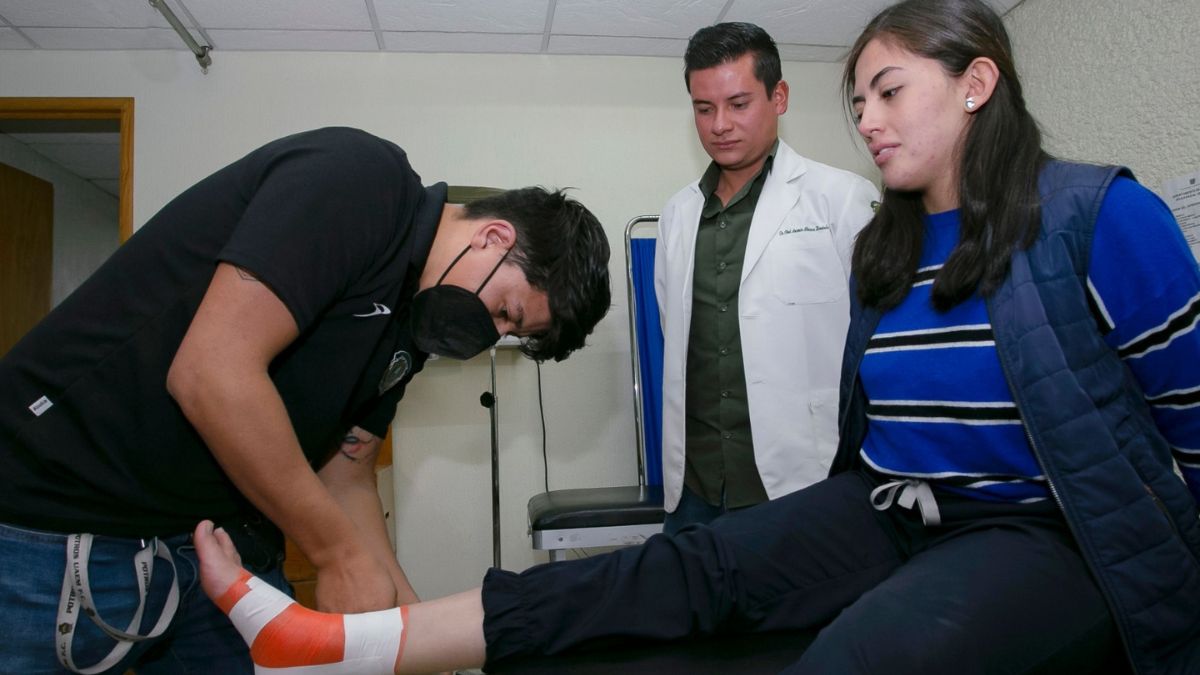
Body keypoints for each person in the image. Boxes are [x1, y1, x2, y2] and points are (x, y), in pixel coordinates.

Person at [194, 2, 1200, 673]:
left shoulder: (1092, 215)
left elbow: (1189, 421)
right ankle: (342, 639)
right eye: (862, 101)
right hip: (882, 504)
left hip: (1032, 527)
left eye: (889, 92)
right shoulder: (888, 244)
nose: (871, 119)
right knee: (659, 578)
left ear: (977, 84)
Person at [0, 126, 611, 674]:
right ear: (494, 237)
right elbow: (212, 373)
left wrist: (411, 628)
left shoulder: (412, 319)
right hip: (54, 524)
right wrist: (336, 556)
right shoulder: (358, 181)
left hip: (207, 542)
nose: (492, 334)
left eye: (510, 334)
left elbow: (346, 472)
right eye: (506, 312)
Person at [657, 23, 879, 533]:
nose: (720, 125)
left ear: (778, 97)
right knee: (691, 612)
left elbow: (877, 343)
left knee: (805, 614)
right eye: (704, 108)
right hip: (695, 488)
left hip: (803, 481)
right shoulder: (677, 214)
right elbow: (676, 330)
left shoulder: (842, 199)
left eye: (739, 103)